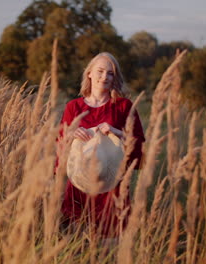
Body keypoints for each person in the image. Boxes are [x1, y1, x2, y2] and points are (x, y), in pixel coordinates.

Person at [59, 52, 145, 238]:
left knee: (110, 247)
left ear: (115, 78)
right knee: (77, 246)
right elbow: (61, 148)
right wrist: (71, 135)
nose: (104, 77)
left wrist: (116, 132)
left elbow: (138, 145)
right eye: (100, 71)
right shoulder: (73, 107)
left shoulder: (123, 106)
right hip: (79, 187)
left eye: (110, 73)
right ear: (89, 73)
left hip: (112, 187)